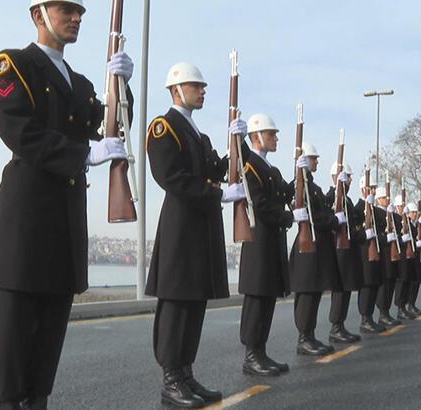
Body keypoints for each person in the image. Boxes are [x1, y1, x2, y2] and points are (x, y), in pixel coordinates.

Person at [0, 1, 133, 408]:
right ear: (38, 15)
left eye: (79, 12)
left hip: (65, 220)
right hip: (27, 219)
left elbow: (112, 126)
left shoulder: (81, 85)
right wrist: (84, 153)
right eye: (65, 10)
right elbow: (18, 130)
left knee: (48, 338)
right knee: (14, 339)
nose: (76, 18)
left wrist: (122, 86)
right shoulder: (13, 65)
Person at [146, 62, 246, 407]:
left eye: (203, 86)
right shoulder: (164, 127)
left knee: (194, 302)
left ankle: (185, 373)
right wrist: (218, 194)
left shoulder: (198, 136)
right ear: (176, 90)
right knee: (176, 302)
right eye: (196, 86)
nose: (202, 91)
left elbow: (220, 167)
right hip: (181, 226)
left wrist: (239, 144)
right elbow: (171, 177)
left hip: (201, 227)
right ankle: (171, 379)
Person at [238, 113, 295, 376]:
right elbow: (259, 205)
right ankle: (252, 355)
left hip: (271, 241)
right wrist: (286, 216)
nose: (276, 138)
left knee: (268, 297)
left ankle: (260, 352)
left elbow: (285, 192)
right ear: (256, 136)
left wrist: (300, 173)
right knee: (257, 298)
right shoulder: (249, 165)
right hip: (259, 240)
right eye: (271, 134)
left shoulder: (270, 169)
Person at [288, 143, 342, 355]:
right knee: (307, 293)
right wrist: (333, 221)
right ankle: (304, 338)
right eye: (313, 158)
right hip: (307, 246)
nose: (317, 161)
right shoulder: (301, 185)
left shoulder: (313, 186)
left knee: (315, 292)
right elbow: (314, 215)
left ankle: (310, 335)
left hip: (318, 247)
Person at [325, 162, 364, 343]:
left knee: (346, 288)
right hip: (338, 250)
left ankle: (341, 325)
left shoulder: (347, 199)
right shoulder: (332, 196)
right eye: (348, 177)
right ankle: (336, 327)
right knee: (340, 289)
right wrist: (336, 194)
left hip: (349, 249)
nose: (350, 181)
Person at [354, 174, 387, 333]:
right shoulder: (358, 209)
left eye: (374, 188)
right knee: (366, 285)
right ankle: (364, 318)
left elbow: (384, 230)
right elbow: (354, 231)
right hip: (364, 252)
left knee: (374, 284)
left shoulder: (377, 212)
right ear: (363, 189)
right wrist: (364, 234)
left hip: (377, 251)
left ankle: (370, 317)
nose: (373, 191)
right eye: (370, 188)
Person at [375, 186, 403, 327]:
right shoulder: (376, 212)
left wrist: (393, 217)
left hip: (392, 251)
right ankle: (382, 312)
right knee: (385, 283)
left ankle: (387, 311)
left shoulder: (390, 214)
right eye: (385, 197)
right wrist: (386, 236)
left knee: (391, 281)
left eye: (388, 197)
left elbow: (399, 228)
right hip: (383, 252)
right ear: (378, 199)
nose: (387, 200)